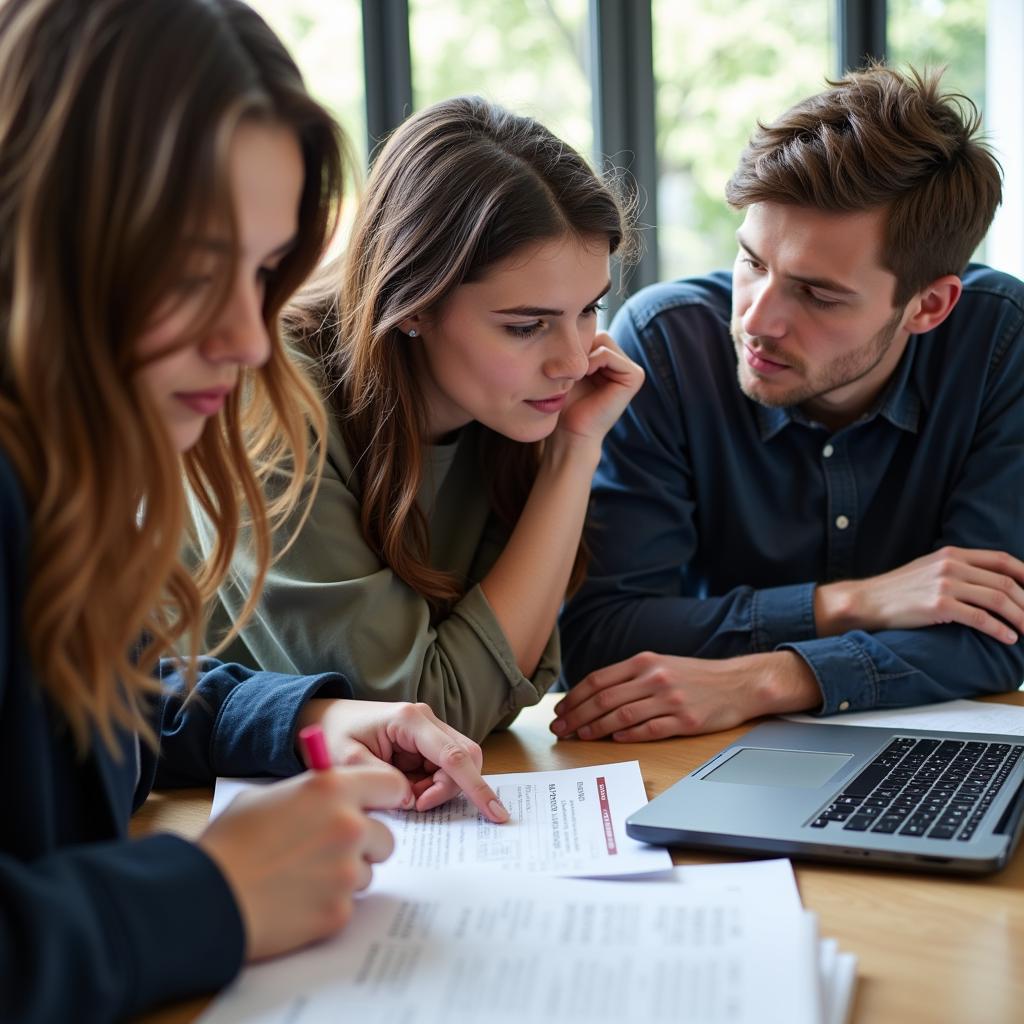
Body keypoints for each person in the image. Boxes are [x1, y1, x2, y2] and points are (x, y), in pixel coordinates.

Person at [0, 3, 508, 1021]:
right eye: (195, 268)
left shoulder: (62, 472)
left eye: (263, 273)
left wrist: (308, 713)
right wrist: (213, 894)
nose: (246, 338)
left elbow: (97, 696)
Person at [555, 64, 1024, 743]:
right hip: (699, 754)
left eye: (818, 294)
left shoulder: (1001, 345)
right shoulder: (664, 347)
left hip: (911, 750)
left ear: (928, 305)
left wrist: (770, 677)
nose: (758, 320)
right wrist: (850, 605)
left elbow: (1000, 634)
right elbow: (601, 639)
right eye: (752, 262)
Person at [194, 96, 646, 742]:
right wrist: (566, 463)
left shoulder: (517, 410)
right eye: (526, 326)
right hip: (178, 799)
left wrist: (575, 448)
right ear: (412, 304)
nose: (575, 361)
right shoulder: (268, 396)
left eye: (588, 310)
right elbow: (421, 712)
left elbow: (511, 682)